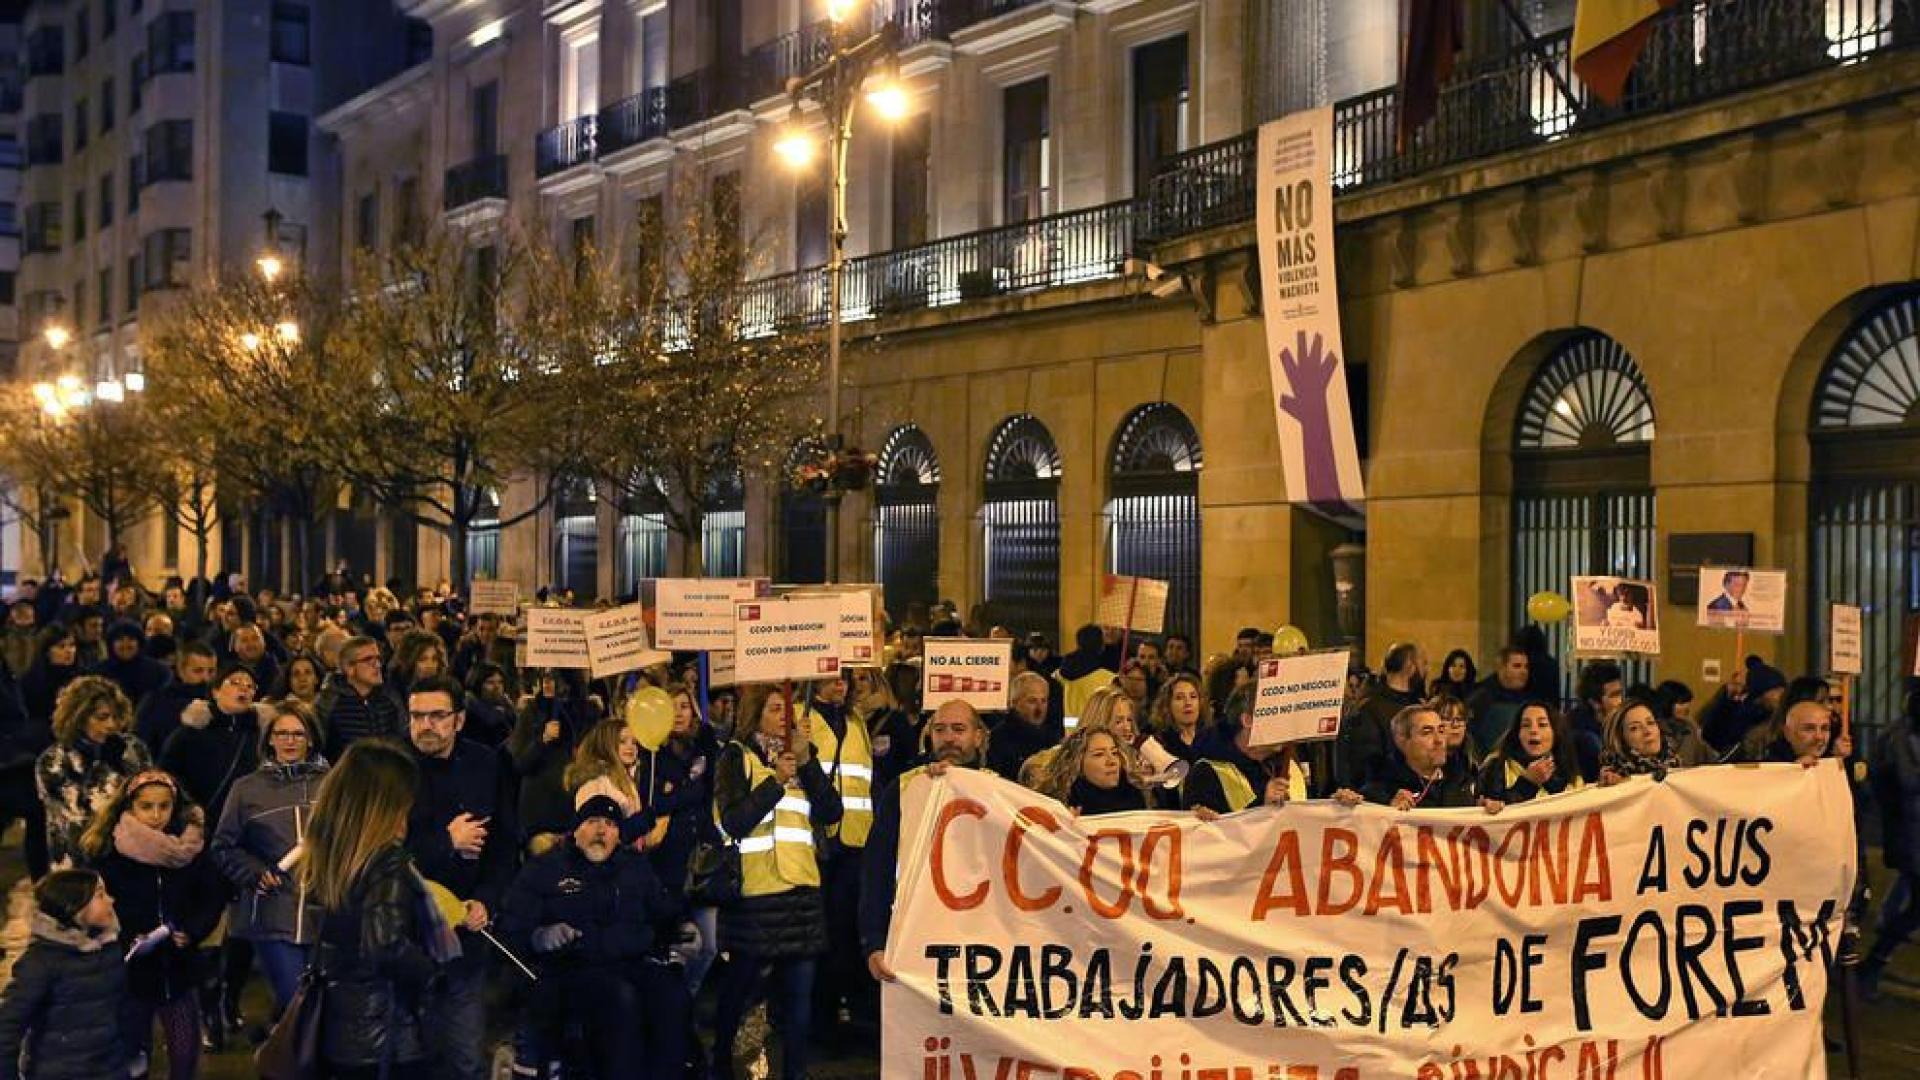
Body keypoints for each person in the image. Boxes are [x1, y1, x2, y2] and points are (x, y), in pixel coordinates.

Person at [497, 792, 689, 1080]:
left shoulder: (634, 867)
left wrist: (683, 928)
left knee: (672, 994)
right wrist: (540, 936)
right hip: (572, 970)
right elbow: (512, 926)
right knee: (620, 1000)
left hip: (630, 961)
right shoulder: (547, 869)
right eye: (593, 822)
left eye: (610, 825)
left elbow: (662, 912)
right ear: (576, 831)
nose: (601, 831)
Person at [710, 683, 844, 1080]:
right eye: (774, 709)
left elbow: (831, 810)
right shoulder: (736, 757)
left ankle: (795, 1072)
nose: (784, 716)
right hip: (756, 895)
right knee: (740, 991)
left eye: (786, 708)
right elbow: (732, 822)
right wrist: (774, 782)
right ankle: (721, 1064)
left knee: (799, 999)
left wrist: (807, 763)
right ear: (755, 714)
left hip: (802, 891)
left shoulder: (801, 757)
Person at [301, 738, 449, 1078]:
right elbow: (385, 945)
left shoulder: (327, 855)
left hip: (339, 1029)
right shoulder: (387, 862)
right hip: (388, 1035)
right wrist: (432, 973)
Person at [401, 675, 516, 1080]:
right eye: (417, 715)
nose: (426, 725)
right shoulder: (390, 767)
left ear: (460, 720)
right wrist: (446, 842)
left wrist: (488, 899)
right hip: (406, 932)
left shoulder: (486, 763)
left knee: (465, 1053)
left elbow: (503, 843)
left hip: (469, 927)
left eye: (437, 715)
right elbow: (379, 854)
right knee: (416, 1052)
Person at [83, 769, 225, 1080]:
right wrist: (123, 933)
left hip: (178, 966)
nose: (156, 815)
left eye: (164, 806)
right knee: (133, 1050)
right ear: (130, 806)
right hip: (129, 968)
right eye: (146, 806)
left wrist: (193, 929)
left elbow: (211, 896)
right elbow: (96, 904)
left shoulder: (192, 847)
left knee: (185, 1053)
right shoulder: (110, 852)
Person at [210, 703, 329, 1015]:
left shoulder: (333, 785)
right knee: (297, 1006)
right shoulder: (246, 789)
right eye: (282, 734)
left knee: (325, 1009)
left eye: (297, 734)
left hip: (327, 914)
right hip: (273, 912)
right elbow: (223, 847)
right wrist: (255, 872)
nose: (290, 741)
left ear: (311, 739)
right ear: (270, 740)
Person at [861, 700, 989, 984]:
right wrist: (874, 942)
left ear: (978, 736)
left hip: (981, 938)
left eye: (959, 729)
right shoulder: (907, 789)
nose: (949, 738)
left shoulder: (1001, 792)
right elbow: (877, 870)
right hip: (915, 934)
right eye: (940, 729)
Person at [0, 869, 131, 1080]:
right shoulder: (41, 961)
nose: (111, 900)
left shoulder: (109, 948)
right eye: (99, 895)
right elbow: (8, 1026)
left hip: (110, 1068)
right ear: (75, 907)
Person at [805, 670, 877, 1036]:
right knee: (824, 932)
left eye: (844, 680)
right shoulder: (805, 719)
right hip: (819, 842)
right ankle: (822, 1014)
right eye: (832, 678)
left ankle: (847, 1008)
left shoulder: (855, 721)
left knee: (849, 929)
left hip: (856, 840)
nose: (840, 685)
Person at [646, 684, 722, 994]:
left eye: (684, 706)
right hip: (668, 862)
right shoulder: (653, 753)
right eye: (671, 706)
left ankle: (685, 999)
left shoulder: (704, 749)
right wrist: (688, 791)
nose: (678, 713)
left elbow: (709, 788)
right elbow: (658, 803)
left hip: (702, 860)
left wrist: (677, 793)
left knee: (709, 946)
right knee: (678, 944)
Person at [36, 676, 153, 869]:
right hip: (78, 864)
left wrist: (123, 766)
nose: (111, 725)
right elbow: (81, 814)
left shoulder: (132, 748)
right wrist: (103, 766)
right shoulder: (54, 761)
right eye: (102, 717)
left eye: (116, 717)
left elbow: (148, 798)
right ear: (78, 718)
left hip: (131, 857)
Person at [1863, 684, 1920, 998]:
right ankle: (1874, 962)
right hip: (1910, 832)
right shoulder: (1901, 738)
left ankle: (1875, 960)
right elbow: (1907, 781)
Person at [1337, 706, 1497, 812]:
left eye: (1441, 730)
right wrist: (1386, 811)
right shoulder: (1380, 792)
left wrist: (1483, 811)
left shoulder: (1465, 783)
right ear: (1402, 740)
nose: (1439, 740)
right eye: (1427, 732)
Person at [1180, 684, 1302, 814]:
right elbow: (1205, 832)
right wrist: (1261, 806)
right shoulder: (1206, 774)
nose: (1284, 724)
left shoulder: (1290, 766)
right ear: (1248, 721)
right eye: (1275, 715)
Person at [509, 670, 594, 854]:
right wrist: (542, 740)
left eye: (555, 678)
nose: (548, 683)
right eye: (545, 678)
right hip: (538, 813)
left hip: (573, 811)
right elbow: (520, 763)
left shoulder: (585, 713)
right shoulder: (531, 712)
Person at [1336, 642, 1426, 790]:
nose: (1426, 669)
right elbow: (1365, 764)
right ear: (1410, 665)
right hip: (1384, 797)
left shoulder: (1419, 706)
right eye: (1423, 663)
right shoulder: (1369, 709)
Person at [316, 635, 405, 761]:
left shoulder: (390, 696)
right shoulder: (329, 700)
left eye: (378, 658)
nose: (378, 665)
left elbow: (403, 738)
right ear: (349, 668)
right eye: (369, 660)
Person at [1476, 703, 1586, 804]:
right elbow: (1494, 816)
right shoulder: (1496, 766)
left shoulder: (1571, 776)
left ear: (1555, 733)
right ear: (1517, 733)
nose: (1533, 730)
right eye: (1526, 725)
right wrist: (1528, 783)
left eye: (1542, 725)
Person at [1039, 722, 1149, 815]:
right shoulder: (1057, 807)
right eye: (1099, 754)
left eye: (1114, 753)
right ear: (1078, 762)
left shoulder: (1135, 797)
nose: (1112, 761)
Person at [135, 641, 218, 755]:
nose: (206, 678)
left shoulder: (220, 701)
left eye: (211, 671)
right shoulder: (156, 702)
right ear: (181, 670)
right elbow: (142, 744)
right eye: (198, 671)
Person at [1701, 656, 1786, 756]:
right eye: (1776, 691)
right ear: (1760, 694)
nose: (1781, 695)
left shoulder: (1783, 717)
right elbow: (1711, 738)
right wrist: (1725, 698)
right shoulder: (1741, 717)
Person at [987, 671, 1061, 781]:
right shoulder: (999, 738)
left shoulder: (1051, 737)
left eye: (1043, 701)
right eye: (1032, 701)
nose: (1039, 709)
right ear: (1015, 703)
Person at [1598, 695, 1682, 781]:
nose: (1647, 731)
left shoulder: (1676, 765)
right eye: (1634, 728)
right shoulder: (1613, 777)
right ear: (1620, 740)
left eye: (1650, 722)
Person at [1465, 646, 1530, 754]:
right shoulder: (1480, 698)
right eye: (1517, 666)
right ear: (1501, 668)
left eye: (1526, 667)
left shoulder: (1528, 699)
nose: (1524, 671)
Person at [91, 620, 171, 707]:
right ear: (111, 644)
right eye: (120, 639)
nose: (126, 644)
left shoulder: (159, 671)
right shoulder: (97, 673)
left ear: (139, 643)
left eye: (131, 639)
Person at [1564, 661, 1620, 781]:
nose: (1620, 701)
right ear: (1595, 702)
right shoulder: (1586, 738)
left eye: (1620, 694)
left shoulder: (1615, 723)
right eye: (1614, 695)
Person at [1054, 624, 1117, 721]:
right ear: (1101, 646)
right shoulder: (1108, 679)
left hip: (1069, 731)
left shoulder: (1059, 674)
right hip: (1094, 731)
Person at [1148, 671, 1212, 762]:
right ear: (1167, 705)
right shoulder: (1160, 744)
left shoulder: (1212, 740)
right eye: (1179, 697)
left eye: (1193, 696)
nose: (1188, 703)